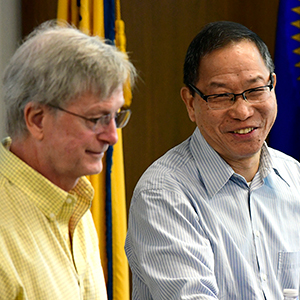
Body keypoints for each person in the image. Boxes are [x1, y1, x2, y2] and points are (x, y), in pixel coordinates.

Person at [125, 21, 300, 300]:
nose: (242, 111)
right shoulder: (163, 193)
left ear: (273, 86)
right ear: (190, 103)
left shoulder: (295, 177)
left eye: (255, 90)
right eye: (221, 96)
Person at [0, 21, 136, 299]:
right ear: (37, 119)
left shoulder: (75, 198)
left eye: (116, 116)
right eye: (97, 119)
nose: (113, 137)